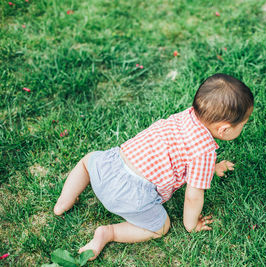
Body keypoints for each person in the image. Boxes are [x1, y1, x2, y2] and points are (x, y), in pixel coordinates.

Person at [53, 73, 254, 260]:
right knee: (160, 227)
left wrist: (212, 168)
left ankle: (63, 202)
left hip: (108, 167)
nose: (243, 127)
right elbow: (193, 195)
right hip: (131, 196)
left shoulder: (187, 116)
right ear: (225, 129)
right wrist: (191, 224)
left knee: (87, 161)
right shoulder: (204, 152)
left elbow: (182, 155)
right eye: (243, 124)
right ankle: (110, 233)